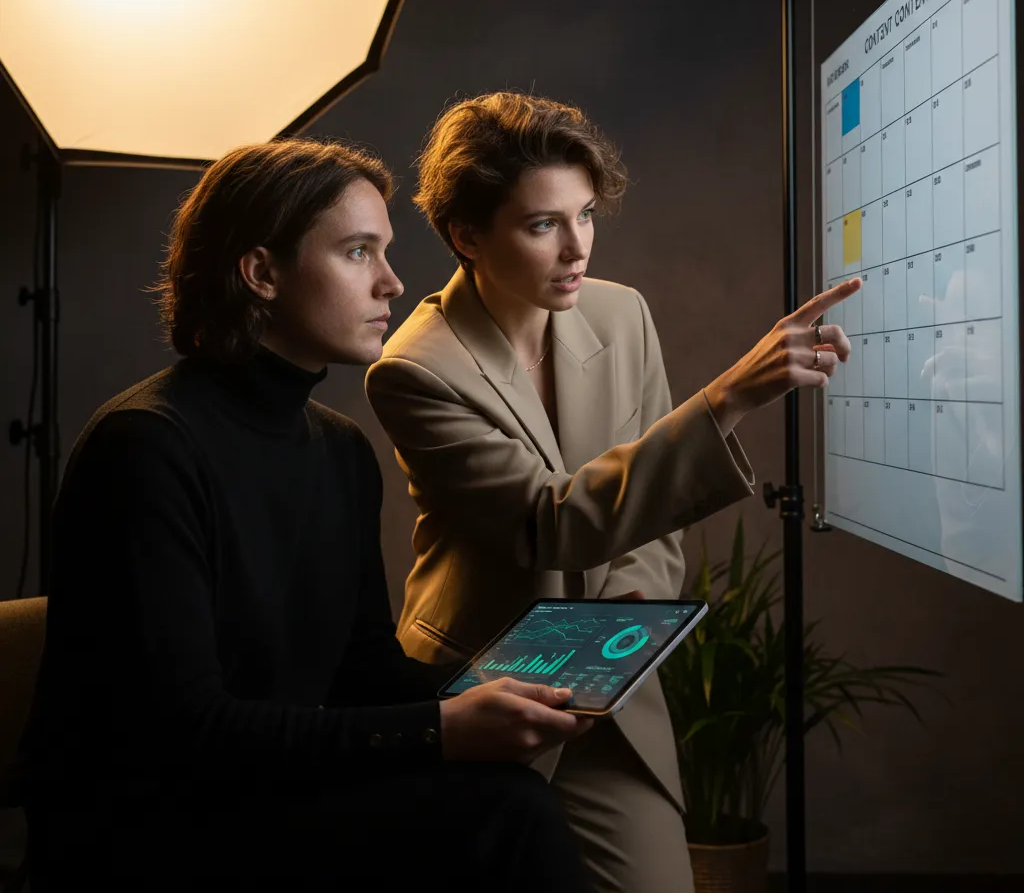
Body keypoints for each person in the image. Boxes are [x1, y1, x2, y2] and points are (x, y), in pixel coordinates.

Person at [21, 138, 597, 891]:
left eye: (385, 251)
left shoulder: (339, 450)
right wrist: (439, 730)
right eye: (359, 252)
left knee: (508, 800)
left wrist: (506, 688)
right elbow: (189, 733)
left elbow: (364, 669)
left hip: (266, 797)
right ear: (261, 273)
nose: (393, 283)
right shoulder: (145, 446)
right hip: (154, 833)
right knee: (505, 812)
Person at [364, 92, 860, 893]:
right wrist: (728, 396)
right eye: (541, 225)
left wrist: (636, 609)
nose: (577, 248)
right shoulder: (416, 369)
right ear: (466, 236)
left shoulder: (621, 314)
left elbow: (654, 515)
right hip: (487, 687)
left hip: (611, 686)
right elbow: (547, 523)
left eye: (586, 214)